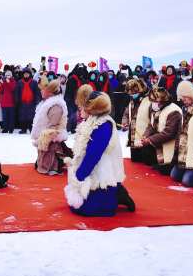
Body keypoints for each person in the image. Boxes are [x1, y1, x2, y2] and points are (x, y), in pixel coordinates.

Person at [63, 87, 135, 216]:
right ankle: (115, 192)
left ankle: (118, 194)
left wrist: (79, 176)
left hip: (101, 172)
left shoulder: (103, 124)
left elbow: (93, 155)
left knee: (83, 209)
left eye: (82, 107)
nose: (79, 110)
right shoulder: (90, 122)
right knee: (75, 205)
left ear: (91, 108)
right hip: (91, 171)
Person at [32, 77, 71, 175]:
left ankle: (53, 164)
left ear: (49, 92)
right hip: (46, 135)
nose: (41, 92)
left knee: (49, 155)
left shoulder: (55, 105)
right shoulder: (47, 103)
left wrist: (46, 137)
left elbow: (54, 126)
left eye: (43, 90)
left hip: (52, 137)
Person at [138, 87, 183, 172]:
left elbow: (169, 133)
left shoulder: (173, 111)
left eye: (155, 101)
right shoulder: (155, 109)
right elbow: (151, 125)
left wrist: (150, 140)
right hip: (159, 140)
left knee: (164, 170)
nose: (153, 104)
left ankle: (167, 165)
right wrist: (145, 136)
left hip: (170, 144)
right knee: (144, 153)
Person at [121, 79, 150, 163]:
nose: (132, 95)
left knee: (145, 162)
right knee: (135, 161)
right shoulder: (132, 102)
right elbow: (126, 114)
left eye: (133, 93)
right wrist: (125, 122)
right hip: (133, 136)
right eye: (130, 94)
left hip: (144, 136)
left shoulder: (148, 101)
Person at [15, 68, 41, 134]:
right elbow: (17, 92)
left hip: (31, 102)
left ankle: (31, 128)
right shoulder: (20, 82)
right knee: (22, 117)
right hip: (22, 103)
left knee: (31, 116)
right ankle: (23, 129)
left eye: (27, 74)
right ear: (23, 75)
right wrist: (17, 100)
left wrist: (37, 100)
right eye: (25, 74)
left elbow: (37, 92)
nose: (26, 75)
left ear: (29, 74)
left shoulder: (34, 82)